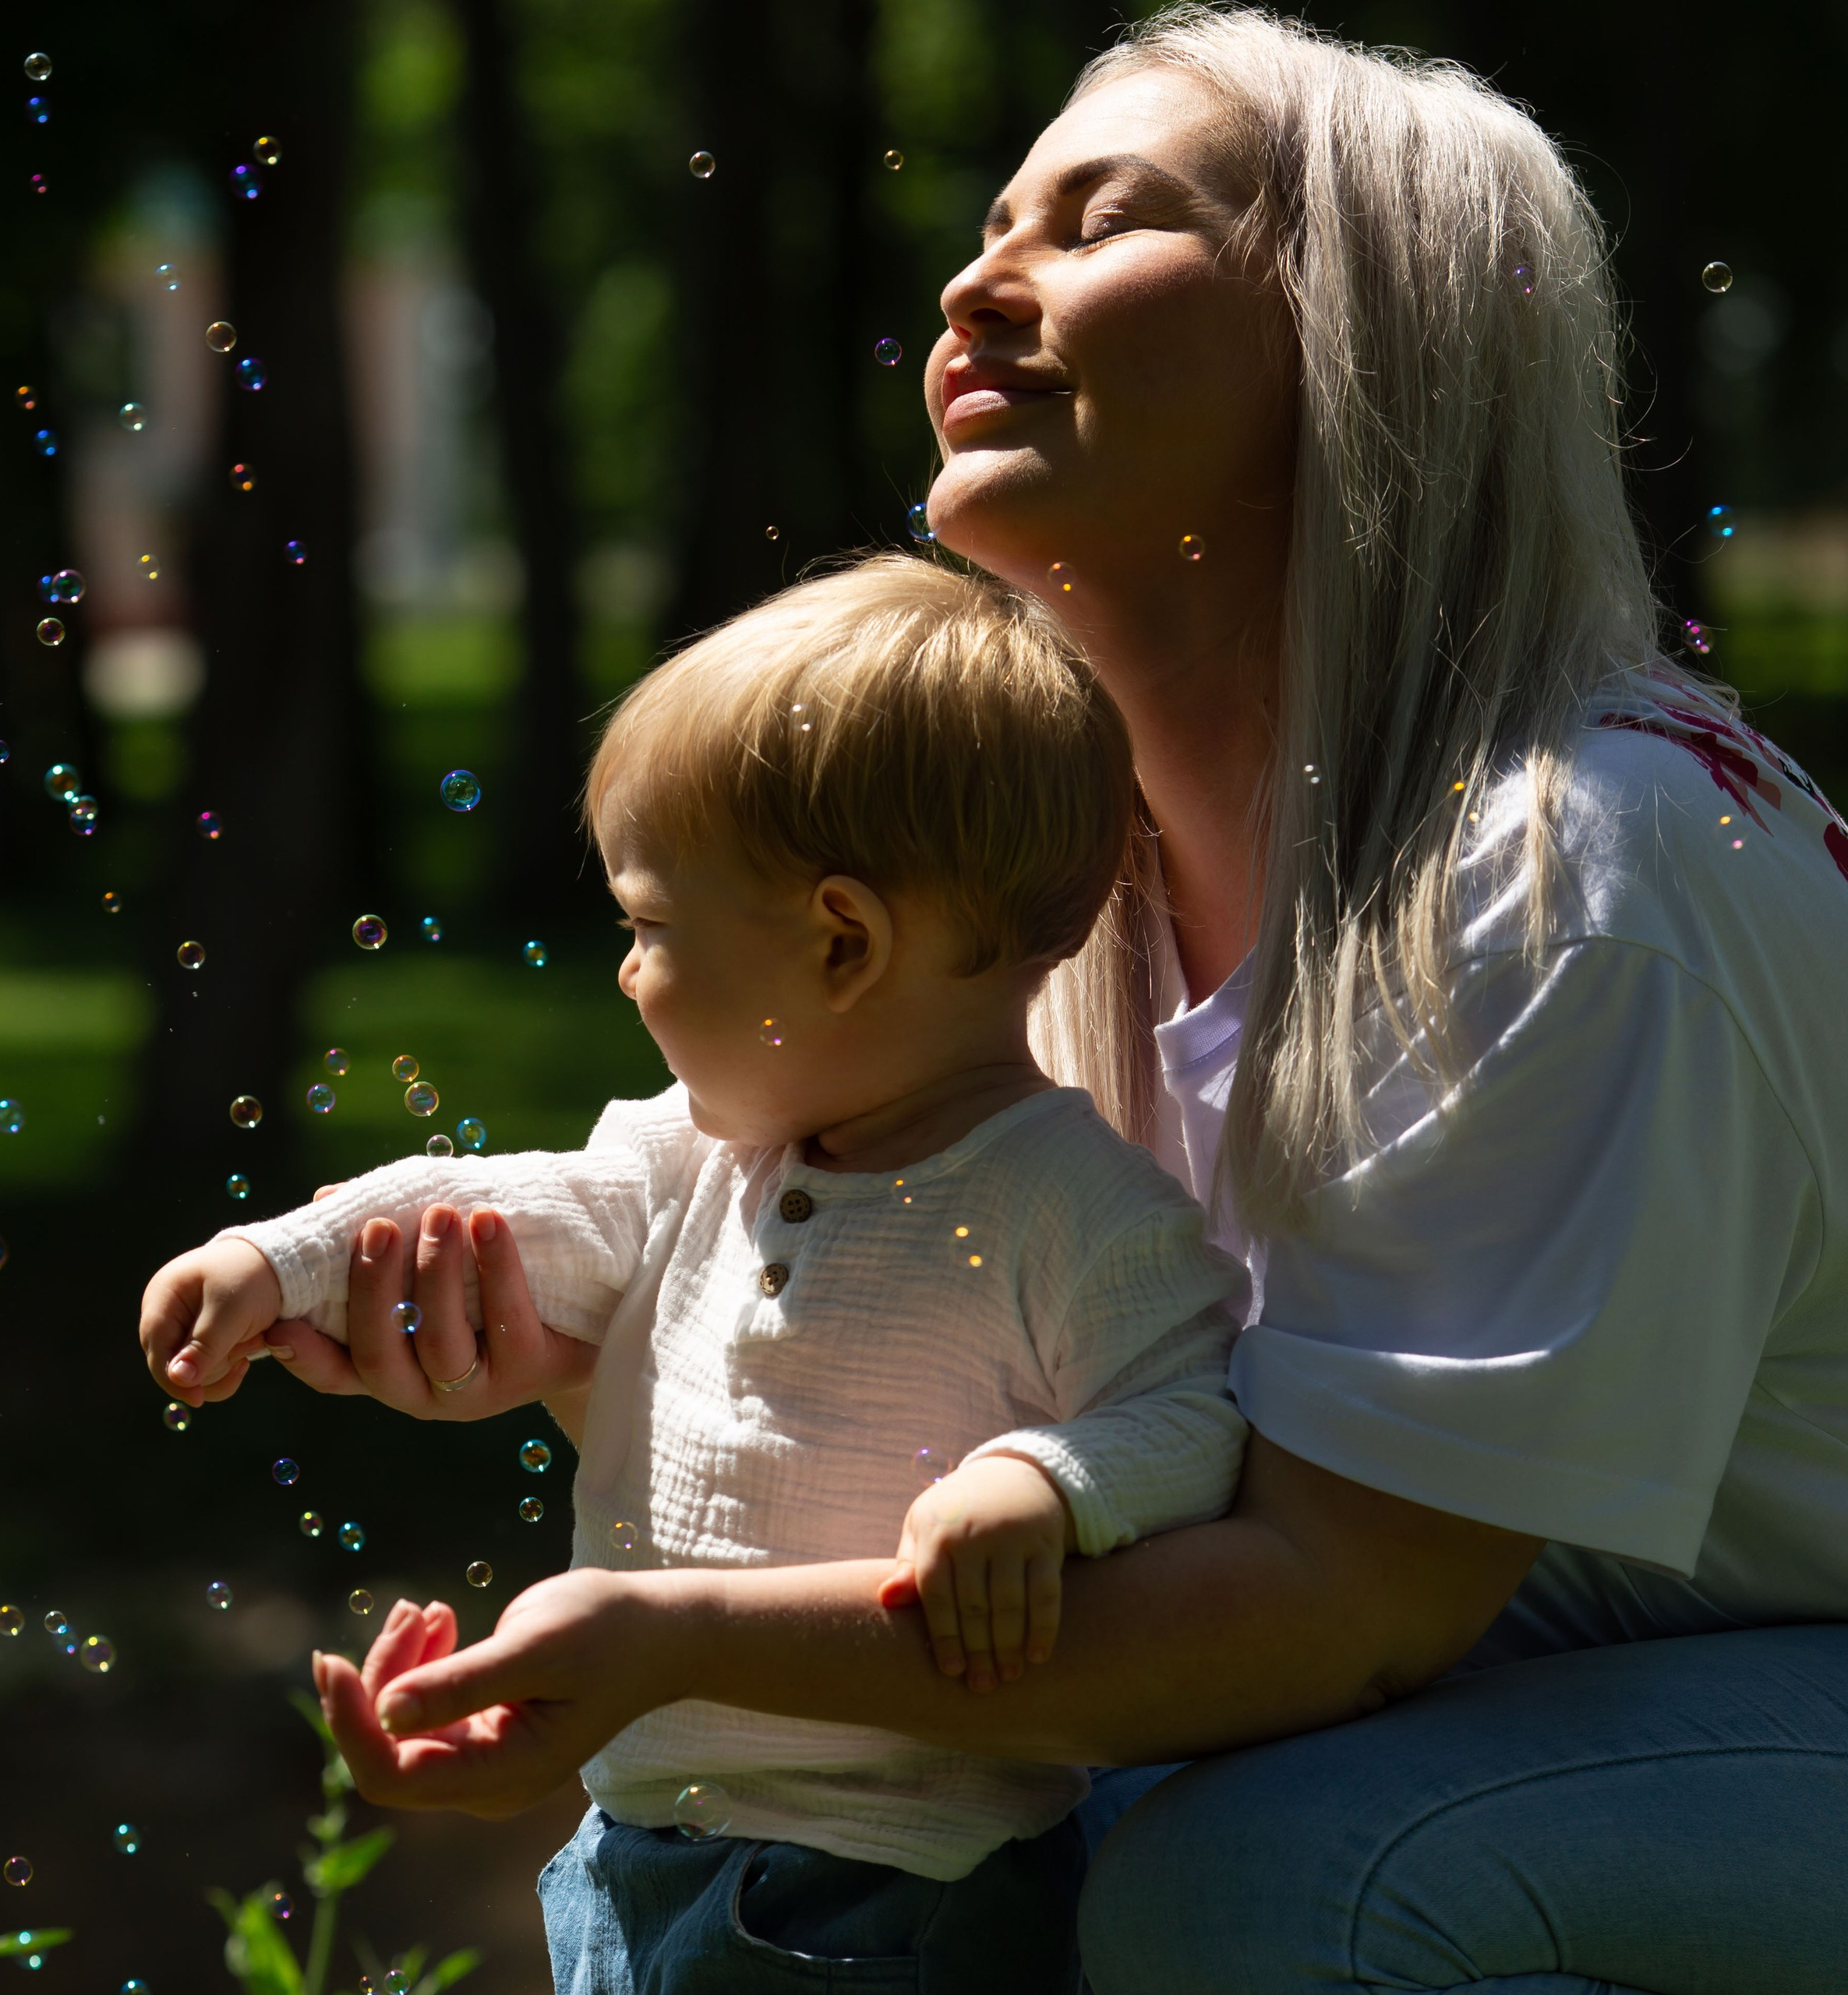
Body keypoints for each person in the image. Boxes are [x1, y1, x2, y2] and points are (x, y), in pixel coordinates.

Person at [156, 7, 1848, 1990]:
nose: (974, 278)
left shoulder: (1578, 868)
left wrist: (669, 1639)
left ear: (1361, 332)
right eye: (989, 221)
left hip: (1763, 1682)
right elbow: (1022, 1428)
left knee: (1259, 1879)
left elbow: (1331, 1607)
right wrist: (588, 1347)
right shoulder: (1057, 878)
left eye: (1096, 221)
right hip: (1520, 1657)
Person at [138, 556, 1254, 1992]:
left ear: (841, 943)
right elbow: (504, 1202)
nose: (625, 974)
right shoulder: (700, 1154)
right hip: (634, 1851)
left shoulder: (1075, 1209)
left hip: (889, 1897)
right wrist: (275, 1259)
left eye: (651, 928)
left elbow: (1196, 1418)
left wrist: (1046, 1478)